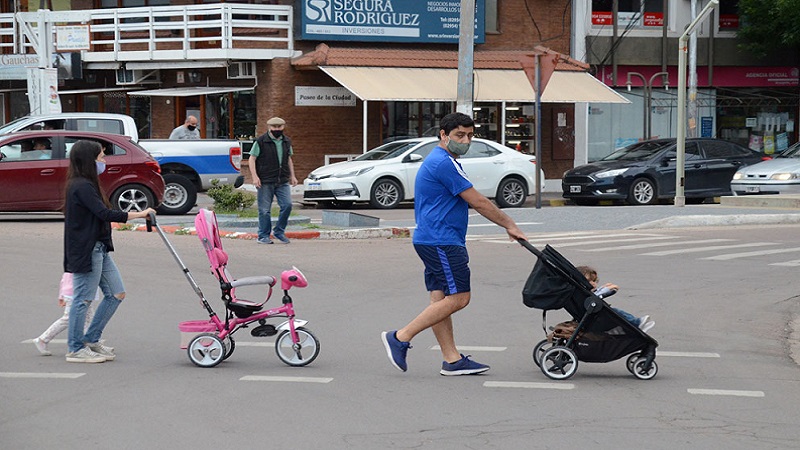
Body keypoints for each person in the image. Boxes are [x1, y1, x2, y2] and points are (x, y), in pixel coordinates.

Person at [381, 112, 528, 376]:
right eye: (460, 135)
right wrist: (509, 224)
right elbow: (478, 201)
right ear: (443, 135)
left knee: (440, 299)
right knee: (460, 298)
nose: (466, 140)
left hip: (432, 238)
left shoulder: (445, 160)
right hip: (441, 241)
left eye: (470, 135)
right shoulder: (443, 163)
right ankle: (400, 337)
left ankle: (452, 359)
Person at [63, 140, 155, 363]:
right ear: (88, 160)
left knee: (116, 294)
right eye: (101, 157)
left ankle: (91, 339)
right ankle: (75, 349)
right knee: (82, 300)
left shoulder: (89, 184)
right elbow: (104, 213)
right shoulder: (81, 186)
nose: (104, 161)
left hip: (100, 247)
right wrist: (140, 214)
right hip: (87, 250)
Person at [248, 116, 297, 244]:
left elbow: (288, 159)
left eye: (279, 127)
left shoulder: (287, 141)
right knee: (264, 210)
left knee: (287, 205)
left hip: (282, 180)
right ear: (269, 127)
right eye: (274, 127)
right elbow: (252, 158)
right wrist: (255, 177)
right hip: (265, 180)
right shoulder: (261, 141)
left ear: (283, 127)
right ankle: (263, 235)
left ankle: (279, 231)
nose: (277, 129)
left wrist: (293, 176)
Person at [32, 273, 101, 356]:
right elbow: (66, 279)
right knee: (68, 318)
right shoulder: (77, 264)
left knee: (88, 318)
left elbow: (64, 279)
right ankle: (43, 339)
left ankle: (88, 342)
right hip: (74, 294)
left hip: (79, 293)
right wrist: (61, 296)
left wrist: (61, 295)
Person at [576, 265, 655, 333]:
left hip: (595, 316)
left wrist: (605, 288)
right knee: (616, 312)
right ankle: (636, 323)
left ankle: (631, 325)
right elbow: (598, 294)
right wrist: (606, 289)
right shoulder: (583, 294)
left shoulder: (584, 293)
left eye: (594, 281)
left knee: (614, 312)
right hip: (596, 318)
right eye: (589, 281)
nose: (593, 284)